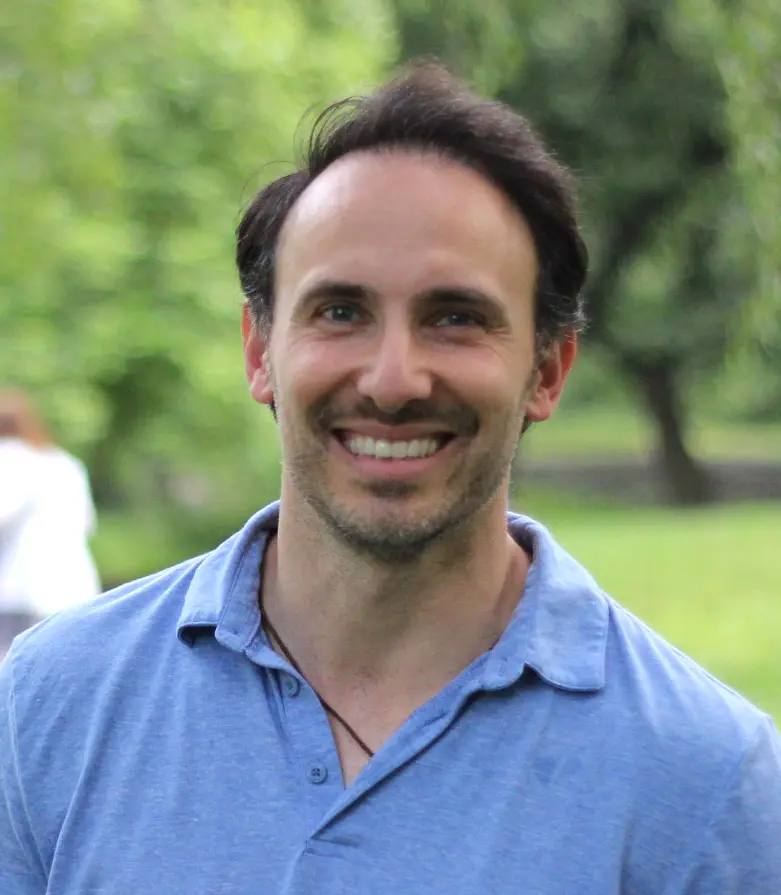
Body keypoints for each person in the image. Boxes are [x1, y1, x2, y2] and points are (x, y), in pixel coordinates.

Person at [1, 63, 779, 895]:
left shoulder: (707, 778)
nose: (393, 379)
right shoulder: (47, 704)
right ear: (260, 351)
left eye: (455, 317)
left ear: (547, 371)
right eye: (340, 311)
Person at [0, 391, 100, 658]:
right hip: (72, 584)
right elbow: (88, 524)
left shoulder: (8, 460)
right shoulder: (65, 463)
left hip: (20, 588)